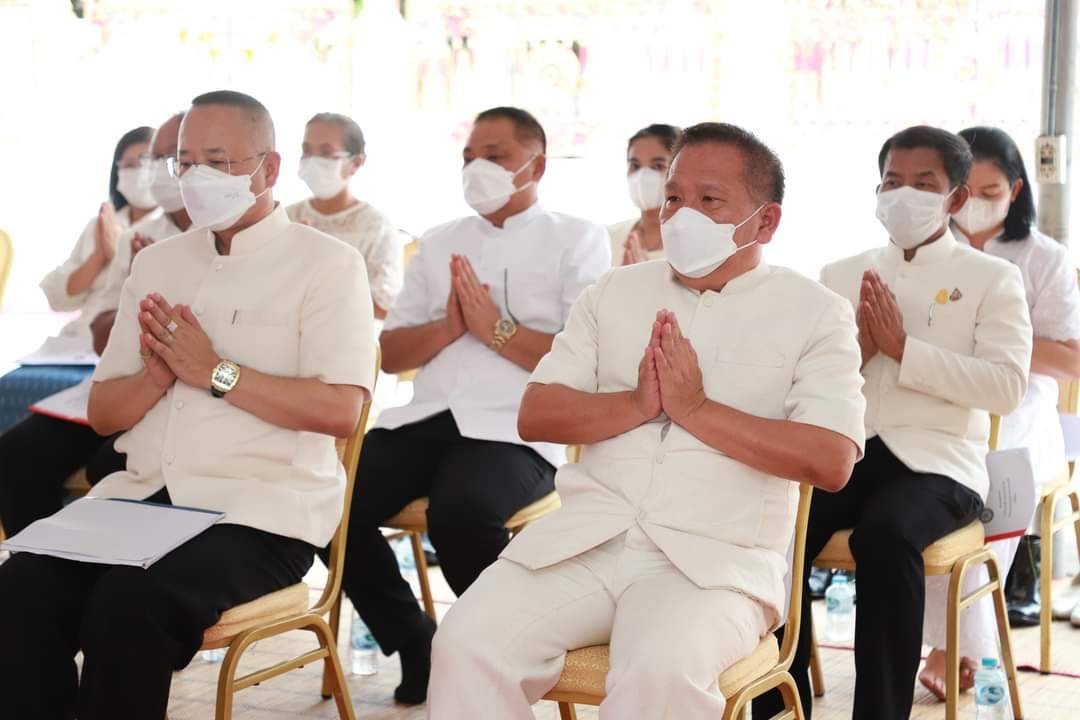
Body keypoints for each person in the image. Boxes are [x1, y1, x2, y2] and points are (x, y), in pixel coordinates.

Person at [427, 122, 868, 719]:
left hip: (714, 564)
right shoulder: (613, 293)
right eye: (674, 198)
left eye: (709, 200)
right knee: (465, 645)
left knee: (659, 673)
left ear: (765, 222)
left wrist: (698, 411)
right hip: (584, 542)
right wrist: (635, 405)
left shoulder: (815, 313)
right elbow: (537, 414)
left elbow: (831, 460)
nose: (682, 215)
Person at [0, 90, 376, 720]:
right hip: (142, 498)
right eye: (185, 161)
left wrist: (215, 372)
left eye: (219, 161)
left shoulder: (328, 266)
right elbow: (104, 415)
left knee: (128, 603)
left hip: (260, 512)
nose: (197, 177)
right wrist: (155, 377)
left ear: (269, 169)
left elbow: (341, 412)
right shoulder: (158, 264)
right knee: (18, 591)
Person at [755, 125, 1033, 720]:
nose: (903, 195)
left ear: (955, 198)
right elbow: (800, 384)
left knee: (885, 535)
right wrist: (855, 349)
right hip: (850, 453)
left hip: (939, 465)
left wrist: (905, 350)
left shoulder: (992, 278)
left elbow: (1006, 388)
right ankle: (780, 695)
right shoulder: (839, 272)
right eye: (892, 182)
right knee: (771, 518)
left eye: (923, 184)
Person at [336, 106, 609, 706]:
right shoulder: (440, 241)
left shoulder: (577, 237)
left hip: (517, 424)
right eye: (468, 157)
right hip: (428, 415)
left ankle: (500, 648)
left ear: (535, 166)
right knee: (328, 500)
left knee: (460, 514)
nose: (477, 168)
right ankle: (417, 640)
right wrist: (453, 325)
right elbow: (391, 350)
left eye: (495, 156)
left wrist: (497, 330)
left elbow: (584, 357)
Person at [917, 126, 1080, 697]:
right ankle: (940, 635)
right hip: (941, 404)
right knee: (922, 472)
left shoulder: (1045, 259)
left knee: (990, 474)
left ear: (1014, 190)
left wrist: (999, 343)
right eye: (968, 191)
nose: (979, 203)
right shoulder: (931, 253)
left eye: (993, 190)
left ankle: (953, 643)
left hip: (1020, 414)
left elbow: (1070, 360)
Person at [0, 113, 196, 539]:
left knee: (112, 464)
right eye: (153, 160)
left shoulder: (233, 238)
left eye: (171, 159)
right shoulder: (138, 238)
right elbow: (102, 333)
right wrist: (136, 286)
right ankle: (41, 565)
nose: (158, 172)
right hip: (125, 386)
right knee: (17, 452)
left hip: (188, 401)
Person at [39, 125, 157, 337]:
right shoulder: (100, 225)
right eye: (129, 165)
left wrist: (120, 255)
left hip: (134, 344)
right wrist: (98, 257)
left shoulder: (177, 228)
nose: (138, 172)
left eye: (147, 162)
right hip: (78, 343)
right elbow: (59, 299)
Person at [286, 112, 403, 319]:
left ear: (356, 163)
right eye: (307, 151)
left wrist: (322, 264)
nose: (313, 161)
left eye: (326, 153)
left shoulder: (376, 227)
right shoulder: (287, 217)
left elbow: (383, 308)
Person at [608, 123, 681, 266]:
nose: (642, 176)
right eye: (635, 166)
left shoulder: (695, 245)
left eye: (658, 166)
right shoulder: (608, 238)